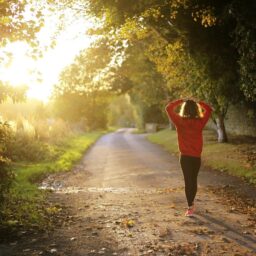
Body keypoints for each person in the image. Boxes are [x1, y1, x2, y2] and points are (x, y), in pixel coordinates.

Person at [165, 98, 213, 217]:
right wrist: (199, 102)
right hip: (196, 157)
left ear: (184, 109)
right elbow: (209, 109)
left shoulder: (179, 121)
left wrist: (180, 100)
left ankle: (190, 206)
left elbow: (168, 108)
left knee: (188, 181)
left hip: (185, 157)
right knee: (193, 180)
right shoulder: (200, 122)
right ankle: (191, 204)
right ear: (196, 110)